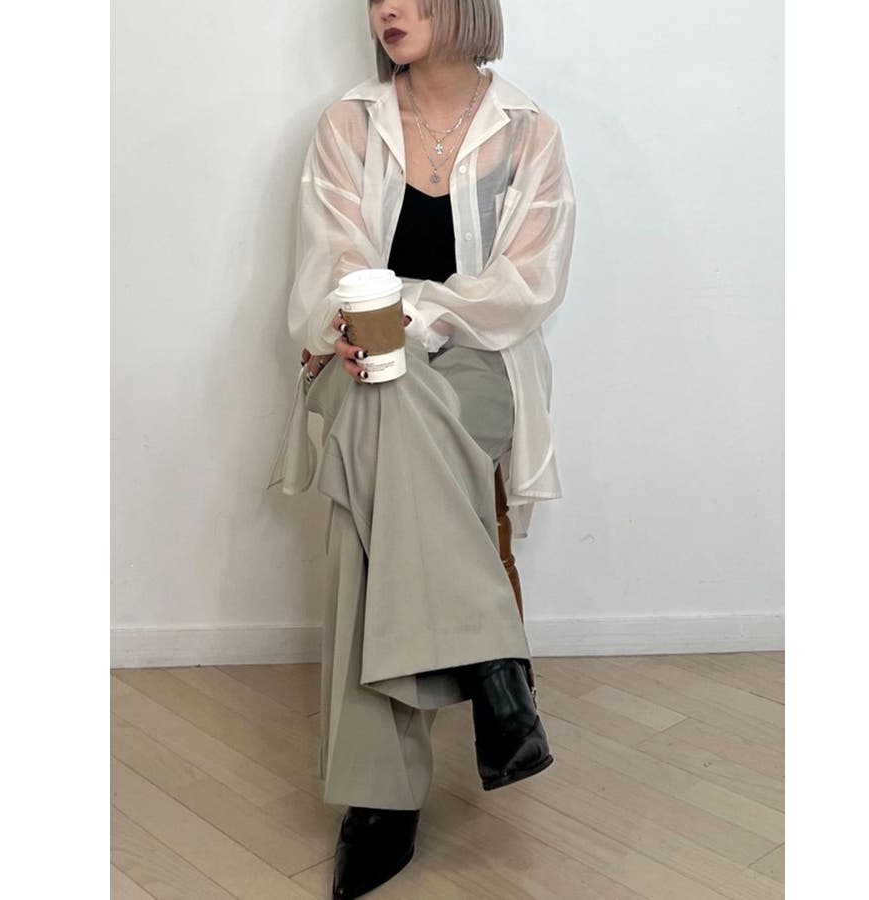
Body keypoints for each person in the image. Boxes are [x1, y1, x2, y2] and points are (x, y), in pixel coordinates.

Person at [266, 1, 576, 896]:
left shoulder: (529, 133)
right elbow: (330, 265)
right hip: (356, 357)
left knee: (379, 471)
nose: (387, 9)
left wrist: (420, 315)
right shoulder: (348, 124)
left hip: (480, 362)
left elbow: (526, 284)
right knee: (385, 406)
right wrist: (376, 330)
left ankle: (381, 801)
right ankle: (494, 669)